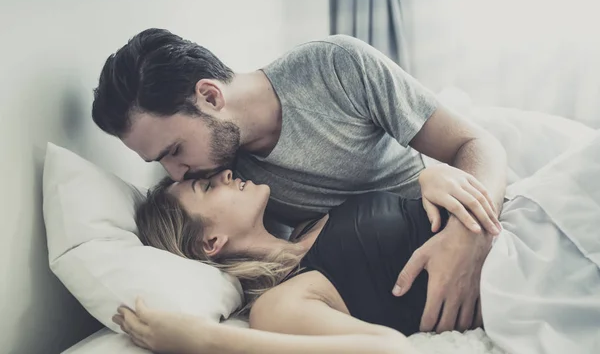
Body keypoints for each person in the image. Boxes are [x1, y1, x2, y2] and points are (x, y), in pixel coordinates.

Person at [92, 28, 508, 332]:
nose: (177, 173)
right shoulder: (231, 186)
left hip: (463, 207)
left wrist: (467, 233)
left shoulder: (335, 66)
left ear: (211, 97)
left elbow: (475, 143)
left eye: (174, 151)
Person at [115, 133, 600, 354]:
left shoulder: (309, 225)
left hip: (521, 216)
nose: (224, 173)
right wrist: (203, 341)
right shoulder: (279, 305)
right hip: (527, 270)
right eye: (206, 187)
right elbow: (387, 349)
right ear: (211, 243)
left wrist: (433, 180)